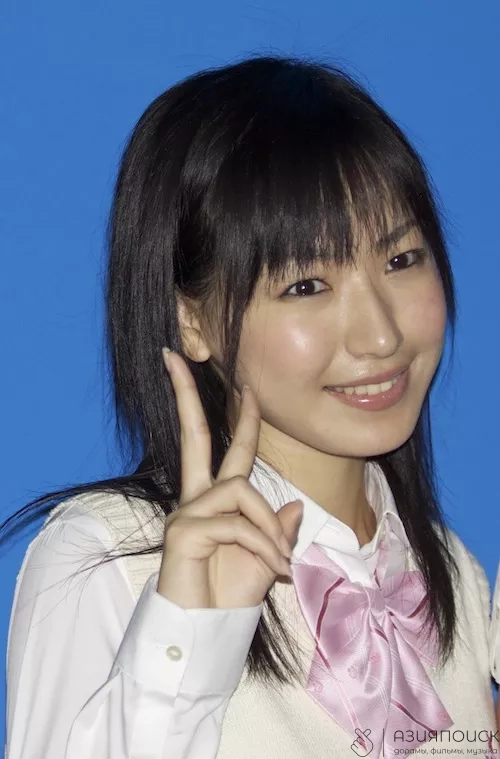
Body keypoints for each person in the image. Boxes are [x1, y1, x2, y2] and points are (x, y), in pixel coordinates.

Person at [3, 55, 498, 759]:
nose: (381, 335)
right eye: (306, 286)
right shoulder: (108, 558)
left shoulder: (454, 578)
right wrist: (186, 639)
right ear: (192, 320)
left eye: (401, 260)